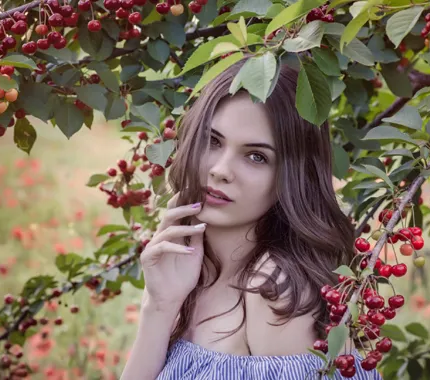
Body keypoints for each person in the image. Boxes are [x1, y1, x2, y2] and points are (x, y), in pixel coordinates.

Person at [120, 57, 383, 380]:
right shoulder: (188, 274)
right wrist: (159, 307)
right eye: (212, 141)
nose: (220, 170)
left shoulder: (274, 292)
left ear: (292, 177)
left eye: (256, 157)